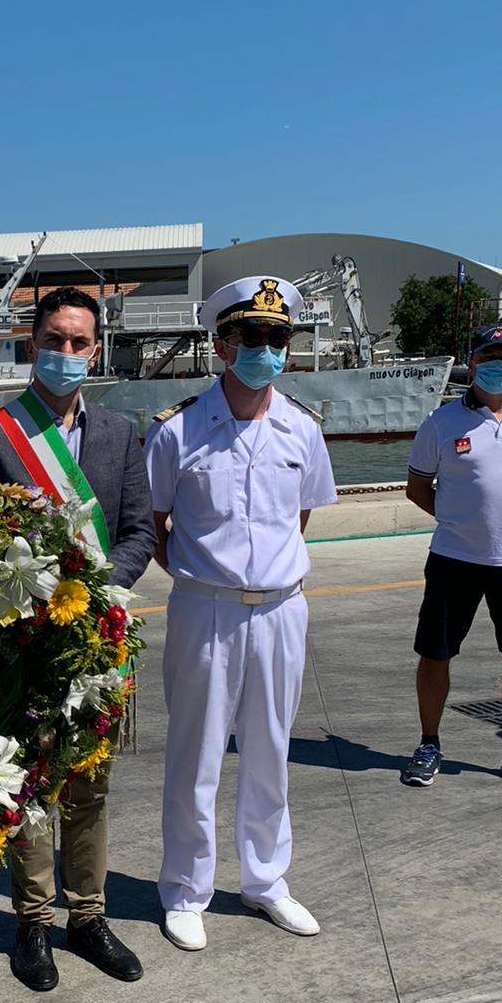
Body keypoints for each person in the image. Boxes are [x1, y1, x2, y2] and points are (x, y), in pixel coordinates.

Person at [0, 286, 155, 991]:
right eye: (55, 341)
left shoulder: (120, 434)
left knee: (91, 784)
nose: (66, 353)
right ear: (31, 344)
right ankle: (33, 922)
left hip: (98, 640)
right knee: (30, 784)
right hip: (27, 645)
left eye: (79, 343)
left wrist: (101, 589)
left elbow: (140, 531)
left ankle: (90, 916)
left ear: (96, 350)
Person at [143, 276, 336, 952]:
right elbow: (155, 521)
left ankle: (266, 882)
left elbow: (300, 516)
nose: (265, 348)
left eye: (277, 337)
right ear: (220, 344)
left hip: (283, 608)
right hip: (206, 609)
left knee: (270, 750)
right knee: (196, 753)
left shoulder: (303, 430)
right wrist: (206, 576)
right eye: (250, 336)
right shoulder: (178, 430)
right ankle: (186, 889)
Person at [400, 323, 502, 788]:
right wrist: (458, 518)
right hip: (454, 559)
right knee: (436, 654)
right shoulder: (440, 423)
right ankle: (428, 743)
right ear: (473, 361)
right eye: (489, 356)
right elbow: (417, 487)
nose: (498, 364)